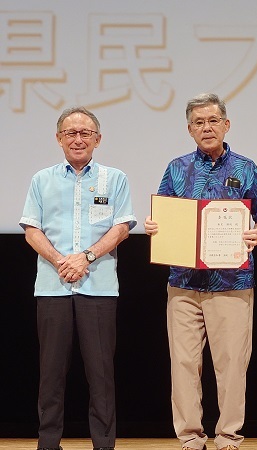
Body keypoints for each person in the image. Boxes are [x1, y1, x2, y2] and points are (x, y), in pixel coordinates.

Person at [144, 93, 257, 450]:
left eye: (213, 121)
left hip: (232, 282)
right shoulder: (176, 167)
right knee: (183, 364)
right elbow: (162, 215)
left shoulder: (246, 167)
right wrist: (154, 227)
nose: (206, 128)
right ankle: (190, 435)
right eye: (198, 122)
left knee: (231, 365)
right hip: (183, 282)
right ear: (189, 129)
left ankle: (228, 435)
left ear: (226, 125)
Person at [19, 106, 137, 450]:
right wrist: (60, 261)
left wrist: (85, 257)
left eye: (86, 133)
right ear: (59, 139)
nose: (78, 138)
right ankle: (48, 443)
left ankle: (103, 444)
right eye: (71, 133)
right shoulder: (42, 179)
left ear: (98, 139)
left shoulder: (114, 178)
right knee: (50, 374)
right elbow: (31, 229)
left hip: (99, 288)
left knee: (101, 375)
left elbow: (121, 228)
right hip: (52, 287)